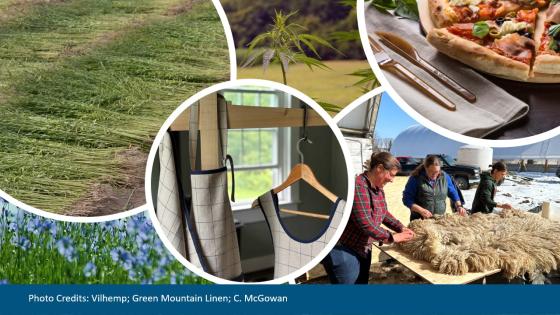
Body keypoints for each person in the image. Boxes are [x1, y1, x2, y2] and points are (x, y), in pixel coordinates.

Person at [322, 152, 414, 284]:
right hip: (345, 249)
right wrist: (392, 237)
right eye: (391, 175)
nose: (392, 180)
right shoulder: (358, 186)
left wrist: (401, 227)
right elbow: (365, 223)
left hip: (363, 248)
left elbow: (383, 212)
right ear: (379, 168)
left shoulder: (377, 188)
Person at [402, 155, 466, 221]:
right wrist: (421, 210)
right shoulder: (416, 178)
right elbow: (407, 199)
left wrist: (459, 206)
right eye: (431, 172)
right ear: (425, 168)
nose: (434, 175)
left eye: (436, 172)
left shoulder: (445, 177)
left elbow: (453, 192)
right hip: (420, 220)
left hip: (439, 219)